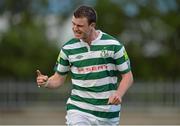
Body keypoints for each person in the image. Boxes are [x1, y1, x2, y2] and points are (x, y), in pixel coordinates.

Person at [36, 5, 133, 125]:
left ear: (92, 25)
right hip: (79, 109)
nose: (75, 28)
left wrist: (118, 94)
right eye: (73, 24)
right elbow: (58, 78)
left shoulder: (114, 45)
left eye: (80, 26)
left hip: (108, 113)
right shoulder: (68, 49)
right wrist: (46, 82)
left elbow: (128, 76)